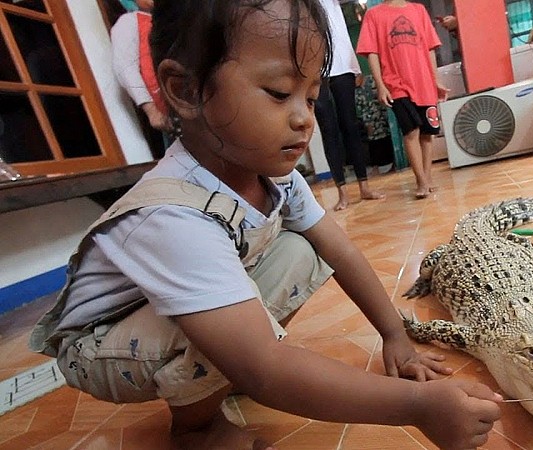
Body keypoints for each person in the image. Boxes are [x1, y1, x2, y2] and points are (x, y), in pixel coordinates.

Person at [28, 1, 502, 449]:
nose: (303, 119)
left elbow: (343, 253)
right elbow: (266, 369)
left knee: (304, 248)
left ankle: (217, 371)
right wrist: (418, 406)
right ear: (185, 90)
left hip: (155, 322)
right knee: (244, 351)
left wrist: (394, 334)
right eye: (279, 93)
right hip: (101, 349)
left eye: (311, 97)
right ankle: (197, 428)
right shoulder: (171, 216)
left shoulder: (273, 177)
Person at [356, 0, 450, 199]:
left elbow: (430, 48)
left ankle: (428, 176)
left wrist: (436, 80)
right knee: (411, 131)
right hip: (396, 84)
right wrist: (381, 85)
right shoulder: (374, 15)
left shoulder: (419, 11)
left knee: (427, 133)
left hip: (424, 82)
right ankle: (421, 181)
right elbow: (372, 52)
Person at [316, 0, 385, 211]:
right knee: (329, 131)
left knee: (351, 126)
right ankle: (342, 193)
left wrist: (354, 66)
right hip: (315, 70)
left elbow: (341, 31)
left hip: (343, 66)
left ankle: (364, 187)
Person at [110, 0, 171, 134]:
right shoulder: (129, 22)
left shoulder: (176, 20)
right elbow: (126, 68)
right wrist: (151, 111)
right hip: (169, 108)